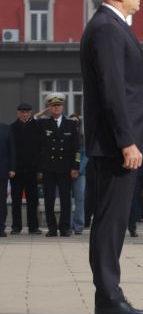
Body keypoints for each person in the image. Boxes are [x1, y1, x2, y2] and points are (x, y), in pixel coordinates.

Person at [80, 0, 143, 314]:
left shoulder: (111, 27)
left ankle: (109, 295)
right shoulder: (107, 29)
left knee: (112, 220)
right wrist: (128, 142)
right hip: (114, 145)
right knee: (110, 222)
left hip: (116, 143)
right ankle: (109, 298)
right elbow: (113, 91)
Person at [37, 95, 80, 237]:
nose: (56, 107)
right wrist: (39, 115)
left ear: (63, 107)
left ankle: (64, 228)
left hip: (65, 168)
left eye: (59, 105)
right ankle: (52, 228)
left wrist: (75, 167)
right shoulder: (43, 123)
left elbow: (76, 148)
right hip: (48, 168)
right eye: (53, 105)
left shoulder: (71, 124)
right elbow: (29, 125)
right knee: (49, 199)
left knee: (65, 200)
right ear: (49, 108)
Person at [11, 102, 42, 235]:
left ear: (30, 113)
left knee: (33, 200)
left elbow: (41, 149)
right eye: (22, 112)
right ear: (18, 113)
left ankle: (33, 226)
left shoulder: (36, 127)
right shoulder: (11, 128)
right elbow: (10, 150)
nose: (24, 114)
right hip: (16, 170)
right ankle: (16, 226)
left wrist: (40, 169)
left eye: (27, 112)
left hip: (32, 169)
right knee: (16, 200)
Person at [0, 113, 14, 237]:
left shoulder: (6, 129)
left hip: (2, 172)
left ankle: (1, 227)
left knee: (1, 202)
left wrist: (12, 168)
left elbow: (12, 150)